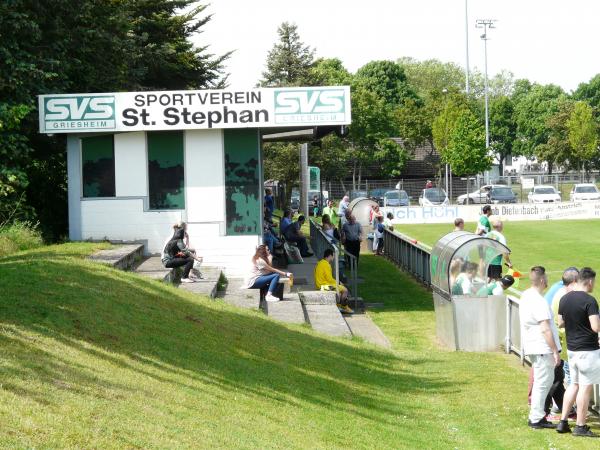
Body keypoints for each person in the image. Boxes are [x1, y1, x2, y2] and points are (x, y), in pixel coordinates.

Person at [556, 267, 600, 437]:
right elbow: (595, 327)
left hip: (572, 350)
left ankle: (563, 421)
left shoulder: (565, 298)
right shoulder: (590, 301)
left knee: (573, 385)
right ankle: (581, 426)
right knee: (585, 388)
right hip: (588, 351)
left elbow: (560, 322)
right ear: (589, 281)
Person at [519, 266, 561, 430]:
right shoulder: (539, 301)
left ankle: (537, 415)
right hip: (542, 347)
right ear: (542, 280)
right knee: (543, 382)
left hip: (534, 345)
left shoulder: (527, 295)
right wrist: (554, 350)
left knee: (542, 381)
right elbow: (545, 328)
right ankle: (536, 417)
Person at [314, 249, 353, 314]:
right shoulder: (326, 265)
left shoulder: (320, 262)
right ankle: (345, 307)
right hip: (323, 286)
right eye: (333, 256)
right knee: (345, 290)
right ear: (329, 256)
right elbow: (330, 279)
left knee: (340, 292)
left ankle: (339, 306)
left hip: (320, 285)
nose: (333, 258)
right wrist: (338, 282)